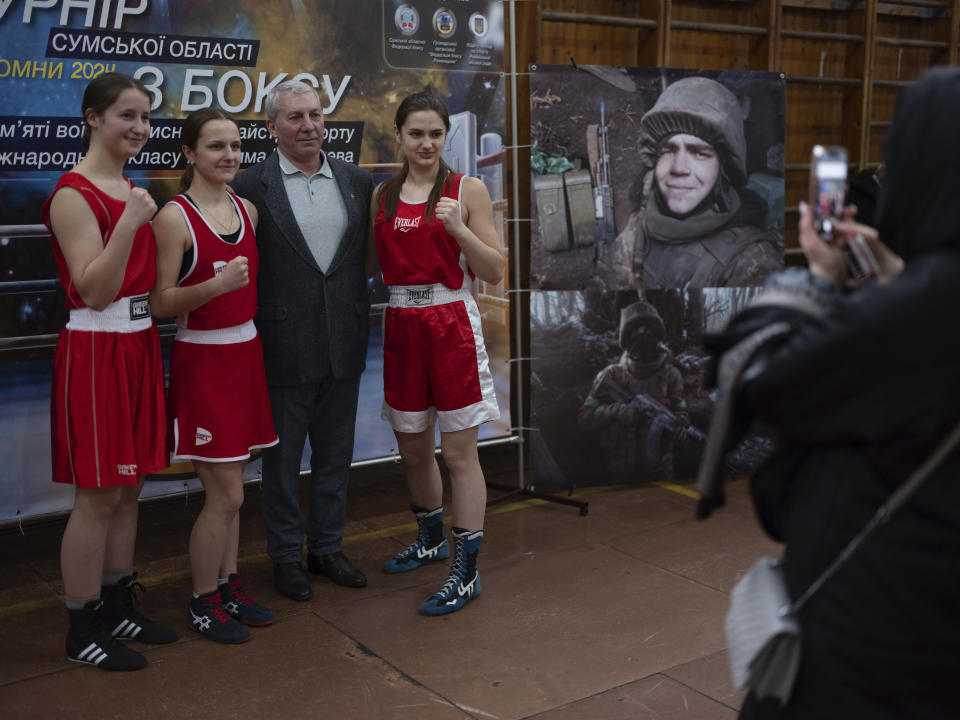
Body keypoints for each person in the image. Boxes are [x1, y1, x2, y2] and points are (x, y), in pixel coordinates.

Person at [700, 67, 960, 718]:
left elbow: (765, 377)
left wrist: (816, 278)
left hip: (879, 635)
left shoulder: (928, 308)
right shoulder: (922, 299)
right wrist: (897, 278)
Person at [40, 72, 176, 671]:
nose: (139, 128)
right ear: (93, 117)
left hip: (139, 342)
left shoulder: (130, 187)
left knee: (130, 488)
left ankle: (119, 601)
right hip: (97, 348)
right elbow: (93, 291)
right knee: (96, 495)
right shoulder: (74, 194)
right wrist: (128, 222)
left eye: (146, 117)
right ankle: (81, 622)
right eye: (127, 115)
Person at [230, 80, 374, 601]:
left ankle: (327, 549)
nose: (309, 125)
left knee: (336, 459)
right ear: (271, 127)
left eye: (315, 114)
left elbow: (364, 261)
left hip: (345, 343)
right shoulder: (249, 186)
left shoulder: (357, 181)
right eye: (294, 117)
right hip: (283, 347)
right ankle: (286, 558)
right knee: (283, 465)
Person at [371, 91, 503, 615]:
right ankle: (429, 540)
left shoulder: (467, 189)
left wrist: (457, 228)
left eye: (435, 133)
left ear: (445, 137)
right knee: (411, 450)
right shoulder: (383, 195)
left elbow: (493, 270)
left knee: (459, 454)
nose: (426, 142)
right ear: (399, 136)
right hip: (402, 322)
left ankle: (466, 571)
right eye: (416, 133)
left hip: (451, 322)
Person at [150, 109, 278, 643]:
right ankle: (202, 599)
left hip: (245, 352)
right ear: (190, 153)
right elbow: (159, 302)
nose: (229, 156)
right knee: (224, 495)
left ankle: (226, 584)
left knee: (237, 487)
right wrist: (216, 286)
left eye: (235, 145)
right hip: (203, 360)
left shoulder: (246, 208)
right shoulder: (173, 219)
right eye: (216, 146)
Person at [598, 76, 781, 290]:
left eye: (700, 154)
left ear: (724, 170)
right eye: (668, 150)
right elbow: (607, 279)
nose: (678, 168)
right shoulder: (644, 219)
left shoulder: (751, 262)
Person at [577, 299, 691, 483]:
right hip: (617, 472)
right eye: (636, 331)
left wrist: (682, 426)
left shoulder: (671, 376)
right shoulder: (610, 376)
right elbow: (584, 416)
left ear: (659, 336)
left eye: (649, 330)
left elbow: (681, 409)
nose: (643, 334)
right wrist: (618, 411)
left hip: (659, 472)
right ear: (626, 339)